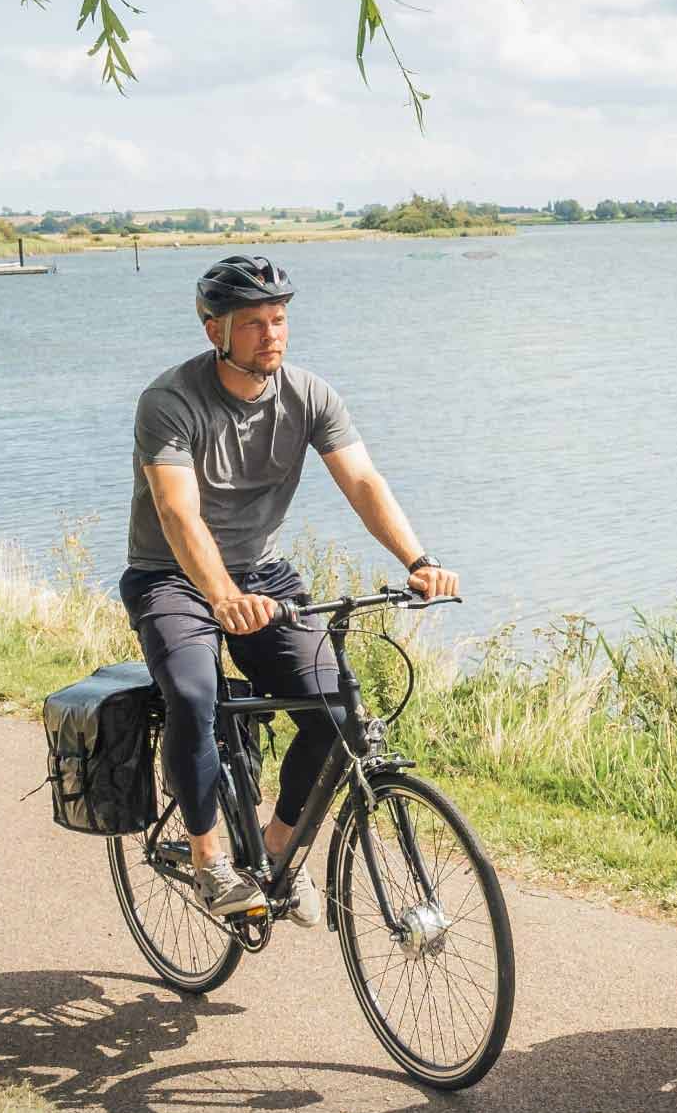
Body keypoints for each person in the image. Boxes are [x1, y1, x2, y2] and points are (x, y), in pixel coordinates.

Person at [120, 254, 458, 922]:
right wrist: (218, 595)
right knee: (193, 692)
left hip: (263, 578)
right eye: (253, 324)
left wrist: (418, 559)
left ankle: (275, 851)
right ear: (212, 327)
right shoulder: (170, 402)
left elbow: (363, 482)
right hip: (172, 578)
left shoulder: (310, 395)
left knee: (338, 708)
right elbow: (177, 514)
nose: (271, 335)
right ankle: (209, 858)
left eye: (278, 320)